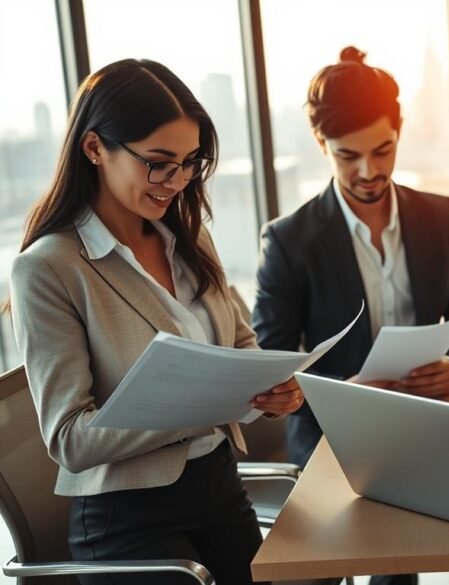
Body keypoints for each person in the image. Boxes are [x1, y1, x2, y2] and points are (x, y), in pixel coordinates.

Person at [8, 59, 305, 585]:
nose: (179, 181)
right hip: (127, 520)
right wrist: (200, 410)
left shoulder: (190, 239)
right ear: (95, 148)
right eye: (160, 163)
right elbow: (70, 439)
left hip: (220, 488)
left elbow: (240, 343)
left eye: (191, 162)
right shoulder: (49, 268)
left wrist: (272, 388)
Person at [252, 47, 449, 467]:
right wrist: (345, 392)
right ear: (321, 143)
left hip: (428, 421)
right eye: (348, 156)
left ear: (399, 132)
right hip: (334, 437)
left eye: (383, 150)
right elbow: (272, 374)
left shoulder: (439, 216)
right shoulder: (289, 242)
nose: (368, 171)